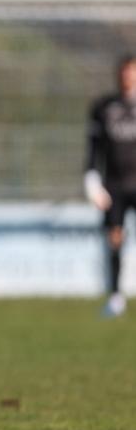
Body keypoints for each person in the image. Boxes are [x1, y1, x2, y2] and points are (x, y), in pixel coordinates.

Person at [84, 54, 136, 317]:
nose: (128, 76)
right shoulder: (104, 107)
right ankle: (116, 296)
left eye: (133, 71)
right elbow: (94, 148)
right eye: (125, 71)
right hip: (115, 184)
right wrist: (91, 179)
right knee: (115, 239)